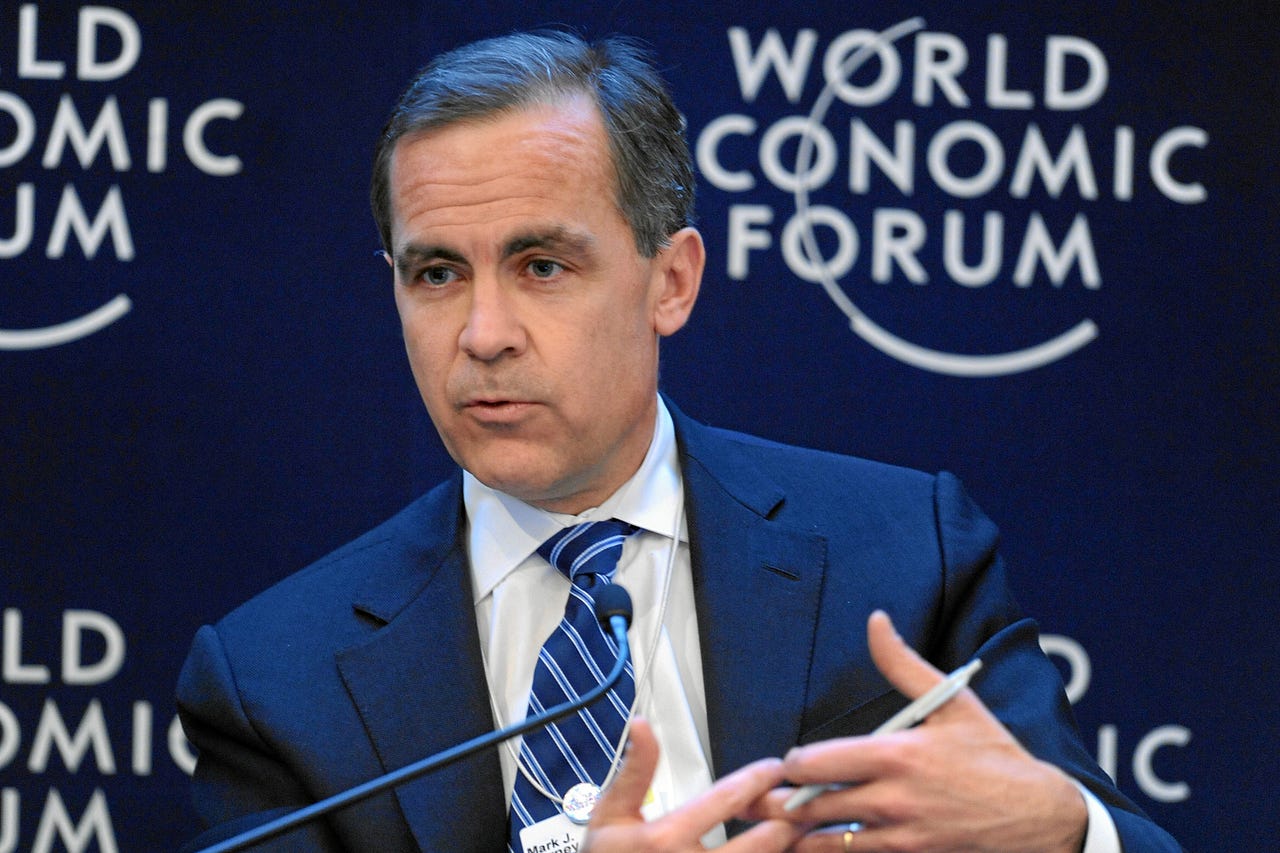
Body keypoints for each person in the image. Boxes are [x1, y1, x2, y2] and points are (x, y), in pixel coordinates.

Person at [176, 30, 1180, 852]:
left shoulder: (907, 557)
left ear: (672, 281)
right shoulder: (274, 683)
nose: (482, 334)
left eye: (541, 266)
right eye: (436, 274)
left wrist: (1060, 831)